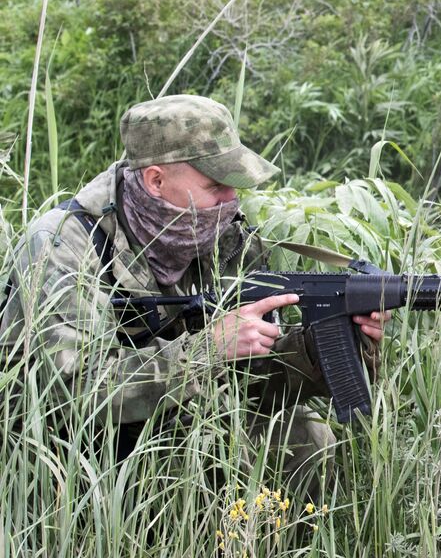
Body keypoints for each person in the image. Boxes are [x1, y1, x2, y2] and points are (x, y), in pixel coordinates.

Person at [0, 94, 388, 497]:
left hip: (173, 416)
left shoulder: (222, 235)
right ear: (155, 180)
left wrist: (323, 344)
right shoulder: (63, 244)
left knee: (306, 438)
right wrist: (207, 349)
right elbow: (75, 390)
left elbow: (246, 381)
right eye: (216, 186)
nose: (230, 200)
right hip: (66, 457)